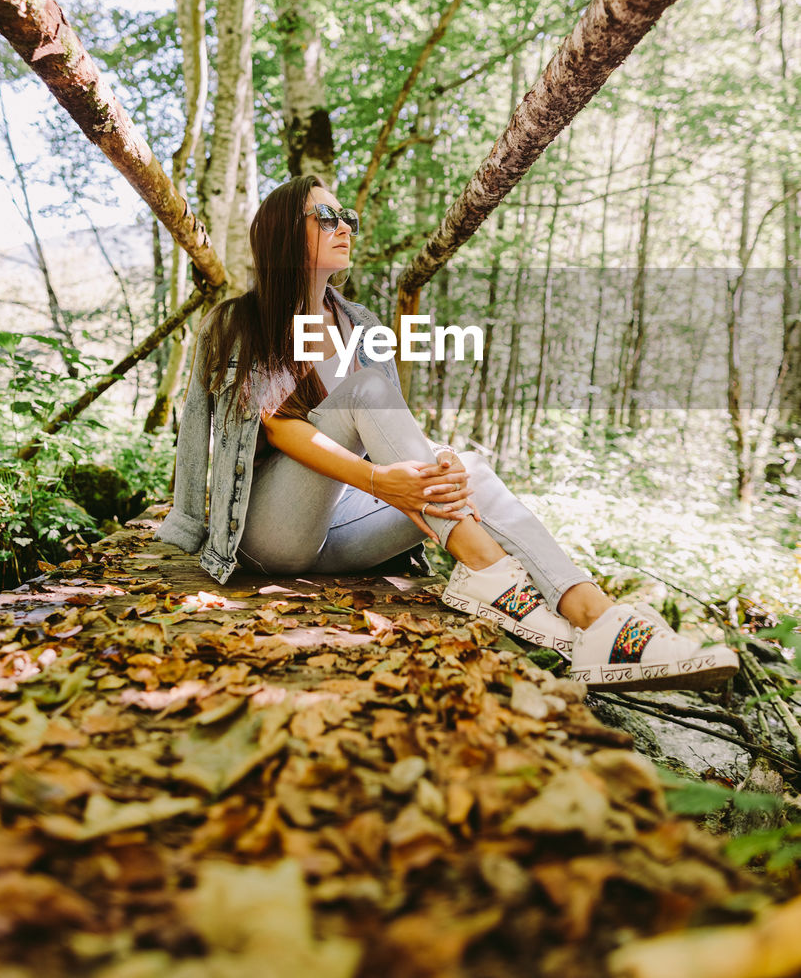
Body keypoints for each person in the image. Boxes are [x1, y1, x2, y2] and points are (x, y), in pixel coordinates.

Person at [154, 174, 738, 692]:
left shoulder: (360, 324)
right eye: (326, 217)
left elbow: (385, 430)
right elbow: (283, 430)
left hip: (342, 530)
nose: (345, 227)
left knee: (472, 468)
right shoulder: (239, 322)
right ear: (283, 233)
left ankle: (593, 619)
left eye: (348, 217)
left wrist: (436, 462)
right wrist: (387, 481)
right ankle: (487, 573)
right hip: (270, 533)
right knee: (369, 392)